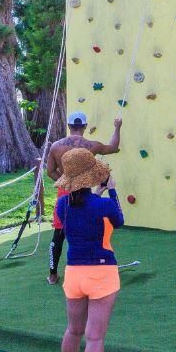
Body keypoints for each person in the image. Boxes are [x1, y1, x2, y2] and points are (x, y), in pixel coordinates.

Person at [54, 147, 123, 352]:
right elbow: (118, 220)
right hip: (102, 273)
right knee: (94, 338)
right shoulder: (103, 203)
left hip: (74, 273)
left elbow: (82, 210)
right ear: (91, 177)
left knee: (73, 330)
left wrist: (98, 194)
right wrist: (112, 191)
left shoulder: (62, 204)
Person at [44, 111, 121, 285]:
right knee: (88, 229)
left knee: (59, 234)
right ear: (85, 126)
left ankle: (53, 274)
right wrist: (117, 127)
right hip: (86, 192)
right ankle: (90, 268)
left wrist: (66, 183)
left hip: (65, 193)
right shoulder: (92, 145)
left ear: (69, 126)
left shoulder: (56, 146)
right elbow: (113, 147)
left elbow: (50, 171)